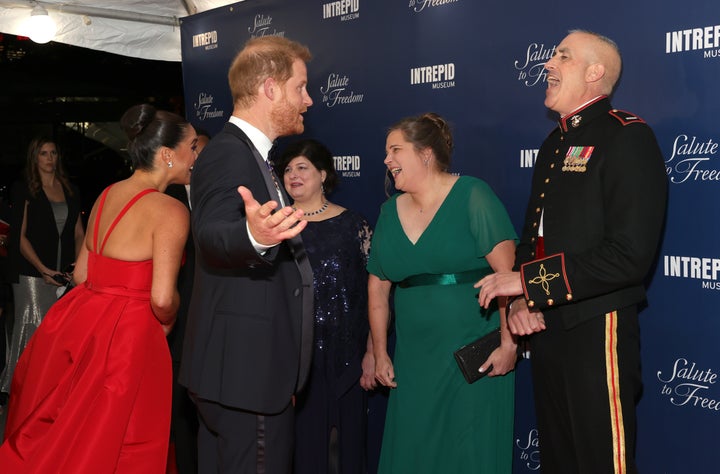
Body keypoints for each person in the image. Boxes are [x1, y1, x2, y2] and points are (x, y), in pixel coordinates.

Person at [477, 30, 667, 473]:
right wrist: (524, 298)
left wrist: (524, 282)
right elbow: (533, 237)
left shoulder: (627, 137)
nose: (548, 64)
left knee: (603, 462)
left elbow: (629, 256)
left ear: (595, 72)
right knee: (560, 460)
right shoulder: (554, 143)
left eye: (563, 56)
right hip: (548, 328)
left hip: (597, 328)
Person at [0, 103, 198, 472]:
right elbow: (162, 298)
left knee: (76, 428)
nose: (196, 156)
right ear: (168, 155)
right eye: (193, 147)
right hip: (132, 336)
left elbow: (81, 275)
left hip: (85, 323)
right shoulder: (171, 210)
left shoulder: (107, 194)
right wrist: (167, 320)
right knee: (123, 439)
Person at [179, 35, 314, 474]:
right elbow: (212, 233)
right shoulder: (228, 154)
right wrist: (253, 236)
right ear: (271, 89)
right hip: (246, 374)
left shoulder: (254, 155)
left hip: (239, 374)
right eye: (300, 88)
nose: (308, 100)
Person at [368, 112, 518, 473]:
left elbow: (509, 277)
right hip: (413, 360)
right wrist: (378, 352)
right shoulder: (389, 211)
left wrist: (508, 343)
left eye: (395, 150)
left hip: (470, 354)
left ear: (425, 153)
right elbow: (377, 286)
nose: (387, 160)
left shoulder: (473, 195)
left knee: (468, 450)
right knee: (414, 449)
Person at [275, 139, 374, 474]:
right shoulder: (274, 229)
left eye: (302, 167)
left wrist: (373, 349)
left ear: (323, 174)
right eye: (287, 169)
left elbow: (375, 291)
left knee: (348, 450)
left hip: (349, 354)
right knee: (304, 450)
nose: (293, 175)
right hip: (296, 358)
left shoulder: (353, 225)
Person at [0, 137, 84, 399]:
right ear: (34, 158)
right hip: (30, 271)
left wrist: (77, 267)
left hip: (63, 274)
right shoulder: (24, 188)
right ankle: (20, 390)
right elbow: (20, 237)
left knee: (57, 331)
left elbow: (79, 233)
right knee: (31, 327)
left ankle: (49, 390)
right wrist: (43, 269)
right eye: (44, 153)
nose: (50, 158)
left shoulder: (70, 190)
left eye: (53, 153)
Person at [165, 126, 210, 474]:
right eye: (193, 150)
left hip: (216, 321)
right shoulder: (167, 200)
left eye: (203, 152)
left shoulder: (227, 197)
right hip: (178, 320)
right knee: (179, 408)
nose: (197, 159)